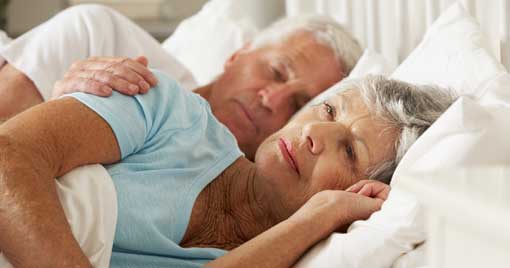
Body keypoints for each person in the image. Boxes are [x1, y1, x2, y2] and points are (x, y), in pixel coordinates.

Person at [0, 69, 456, 267]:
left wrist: (319, 216)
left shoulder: (281, 253)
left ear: (364, 193)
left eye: (350, 152)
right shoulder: (172, 113)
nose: (315, 133)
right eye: (328, 110)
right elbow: (7, 155)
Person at [0, 4, 363, 159]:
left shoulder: (236, 200)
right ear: (238, 55)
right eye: (277, 72)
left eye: (299, 105)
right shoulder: (100, 36)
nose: (273, 99)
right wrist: (60, 113)